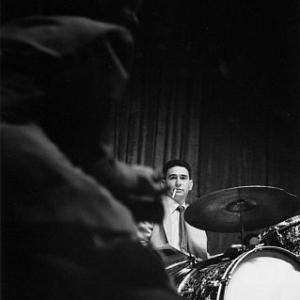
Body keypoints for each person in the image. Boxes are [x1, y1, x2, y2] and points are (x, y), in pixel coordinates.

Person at [1, 1, 181, 299]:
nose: (134, 15)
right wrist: (136, 182)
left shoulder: (23, 31)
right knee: (139, 270)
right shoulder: (103, 36)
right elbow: (88, 158)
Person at [139, 160, 208, 261]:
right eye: (173, 178)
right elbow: (138, 247)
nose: (178, 183)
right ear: (163, 184)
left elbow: (202, 256)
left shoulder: (196, 215)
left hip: (192, 274)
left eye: (183, 178)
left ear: (190, 185)